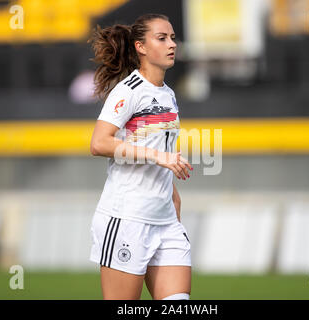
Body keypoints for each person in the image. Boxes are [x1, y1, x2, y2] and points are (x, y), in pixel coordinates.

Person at [88, 13, 193, 300]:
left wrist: (172, 195)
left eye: (172, 37)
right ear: (141, 47)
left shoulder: (169, 94)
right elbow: (99, 143)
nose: (172, 44)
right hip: (127, 218)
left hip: (166, 221)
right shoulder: (129, 91)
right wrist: (158, 156)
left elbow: (162, 150)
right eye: (162, 38)